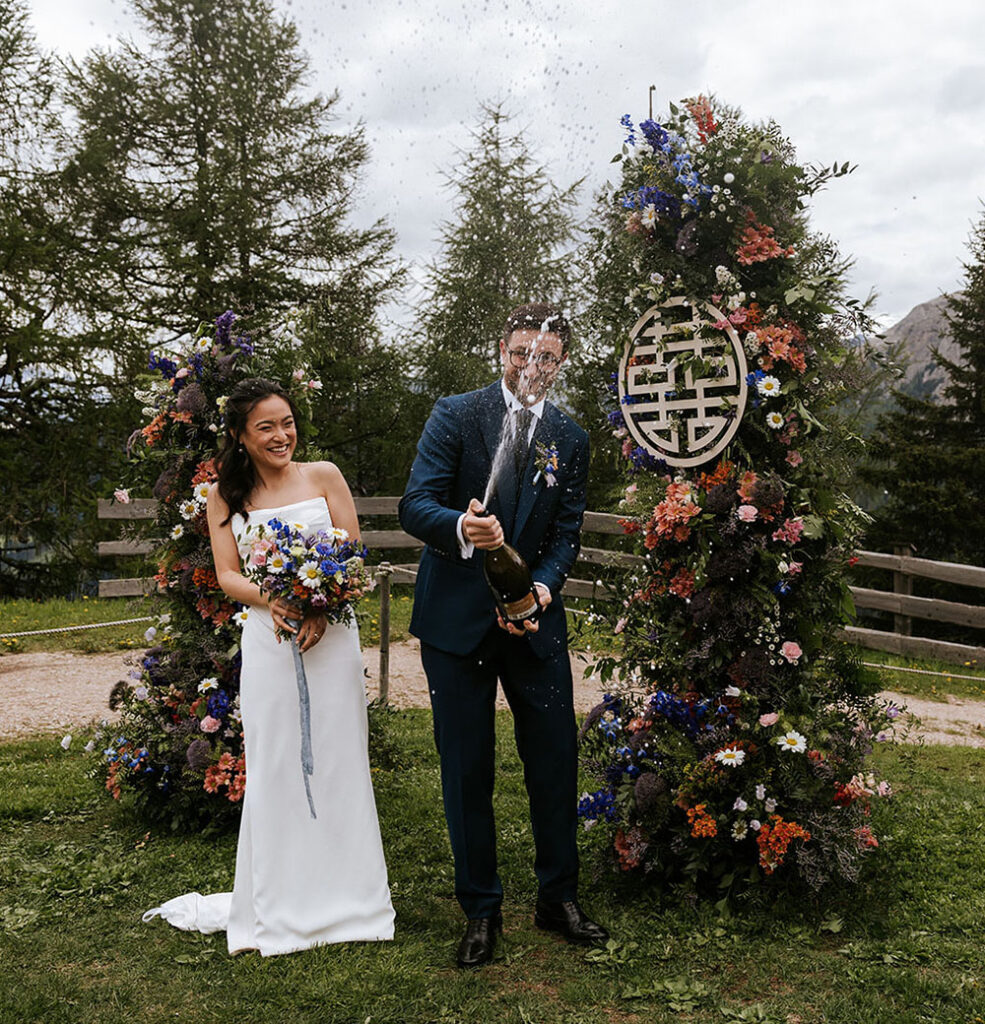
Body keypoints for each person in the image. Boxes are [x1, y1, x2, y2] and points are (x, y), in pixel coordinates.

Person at [143, 377, 395, 956]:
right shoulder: (223, 495)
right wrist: (272, 599)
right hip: (270, 637)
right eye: (266, 427)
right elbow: (228, 573)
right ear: (240, 436)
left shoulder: (324, 476)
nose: (282, 435)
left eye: (287, 422)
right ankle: (284, 901)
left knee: (339, 758)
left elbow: (352, 553)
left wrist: (324, 606)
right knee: (278, 760)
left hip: (331, 639)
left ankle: (353, 900)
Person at [399, 303, 608, 968]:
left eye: (545, 357)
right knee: (467, 770)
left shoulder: (569, 438)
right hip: (456, 625)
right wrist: (463, 528)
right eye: (521, 353)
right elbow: (416, 505)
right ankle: (480, 910)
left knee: (553, 763)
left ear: (561, 363)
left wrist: (540, 589)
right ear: (502, 351)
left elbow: (567, 528)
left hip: (535, 626)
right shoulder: (455, 415)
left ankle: (558, 899)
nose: (531, 366)